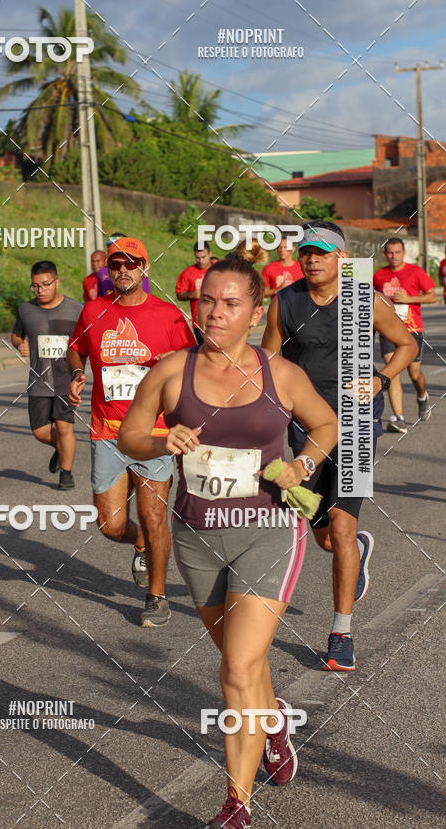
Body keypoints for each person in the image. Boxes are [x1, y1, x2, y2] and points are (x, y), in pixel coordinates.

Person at [118, 255, 339, 827]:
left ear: (255, 311)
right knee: (243, 662)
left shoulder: (280, 374)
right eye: (207, 301)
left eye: (230, 303)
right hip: (196, 538)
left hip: (268, 531)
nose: (214, 312)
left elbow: (326, 425)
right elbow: (131, 435)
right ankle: (272, 721)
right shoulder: (171, 371)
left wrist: (304, 464)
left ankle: (235, 805)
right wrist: (164, 439)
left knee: (238, 668)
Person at [263, 221, 417, 671]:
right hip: (305, 429)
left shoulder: (362, 298)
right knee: (324, 536)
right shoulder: (285, 301)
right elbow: (270, 361)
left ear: (341, 259)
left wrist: (380, 378)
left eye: (322, 252)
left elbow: (406, 344)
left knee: (343, 528)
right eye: (306, 252)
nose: (312, 259)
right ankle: (358, 552)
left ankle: (340, 634)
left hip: (354, 425)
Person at [67, 237, 194, 627]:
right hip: (106, 431)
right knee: (111, 525)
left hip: (155, 433)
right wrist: (77, 372)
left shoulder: (169, 316)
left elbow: (191, 367)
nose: (123, 270)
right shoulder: (93, 310)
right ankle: (139, 542)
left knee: (155, 517)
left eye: (131, 264)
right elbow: (77, 347)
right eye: (115, 264)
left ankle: (156, 596)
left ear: (145, 268)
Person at [11, 261, 83, 490]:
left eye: (45, 285)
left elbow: (86, 341)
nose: (40, 290)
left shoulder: (76, 309)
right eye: (35, 286)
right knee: (40, 432)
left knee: (64, 428)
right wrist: (20, 343)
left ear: (56, 282)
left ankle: (66, 474)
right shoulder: (26, 310)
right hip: (39, 381)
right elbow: (15, 335)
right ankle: (61, 449)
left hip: (65, 380)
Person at [373, 237, 437, 433]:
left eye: (397, 252)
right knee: (392, 370)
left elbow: (433, 296)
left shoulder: (415, 271)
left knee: (415, 374)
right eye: (390, 253)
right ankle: (399, 418)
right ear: (385, 254)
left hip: (412, 329)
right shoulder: (379, 275)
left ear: (403, 253)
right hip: (388, 329)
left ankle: (422, 395)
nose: (393, 256)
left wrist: (410, 298)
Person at [175, 241, 213, 342]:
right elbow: (179, 294)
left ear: (210, 254)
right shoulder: (188, 273)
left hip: (218, 318)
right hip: (198, 322)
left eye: (204, 257)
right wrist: (192, 294)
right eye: (198, 258)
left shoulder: (218, 269)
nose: (201, 261)